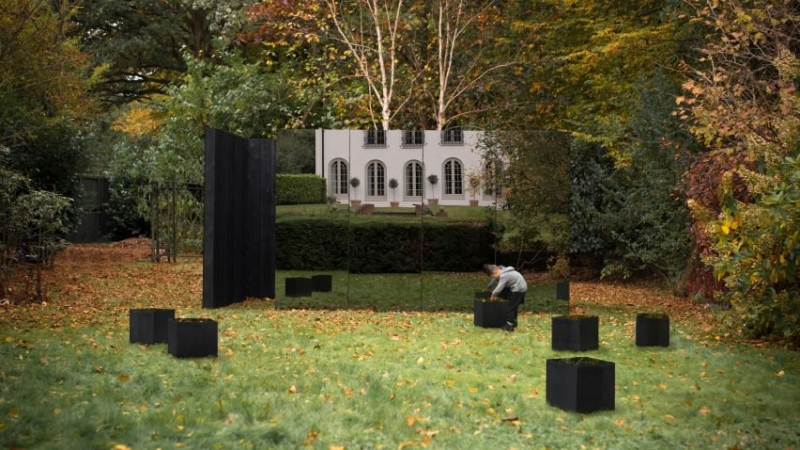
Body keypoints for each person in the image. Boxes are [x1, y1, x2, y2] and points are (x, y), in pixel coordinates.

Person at [483, 264, 527, 332]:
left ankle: (510, 326)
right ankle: (513, 322)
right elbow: (494, 279)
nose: (494, 278)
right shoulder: (502, 270)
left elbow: (499, 287)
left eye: (493, 276)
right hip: (519, 287)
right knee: (513, 306)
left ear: (495, 272)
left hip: (518, 289)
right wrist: (489, 287)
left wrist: (493, 295)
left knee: (510, 307)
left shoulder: (504, 276)